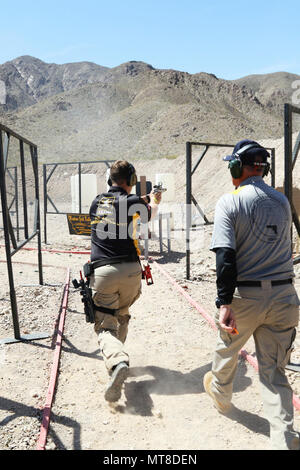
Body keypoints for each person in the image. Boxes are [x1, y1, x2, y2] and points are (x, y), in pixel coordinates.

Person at [204, 139, 300, 450]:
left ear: (236, 167)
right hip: (285, 296)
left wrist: (223, 302)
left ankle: (220, 392)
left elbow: (226, 256)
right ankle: (284, 440)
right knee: (274, 374)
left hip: (246, 297)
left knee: (227, 348)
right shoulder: (282, 202)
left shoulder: (229, 202)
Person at [89, 160, 162, 402]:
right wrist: (154, 199)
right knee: (122, 313)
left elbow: (115, 209)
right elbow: (147, 215)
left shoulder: (96, 202)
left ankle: (117, 361)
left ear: (110, 180)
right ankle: (116, 364)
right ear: (131, 181)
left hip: (103, 274)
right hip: (131, 272)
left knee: (105, 325)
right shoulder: (134, 202)